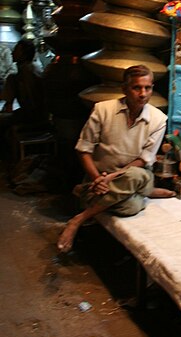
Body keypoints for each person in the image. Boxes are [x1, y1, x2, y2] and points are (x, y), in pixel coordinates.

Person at [57, 64, 174, 253]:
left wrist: (110, 178)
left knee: (136, 175)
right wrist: (97, 178)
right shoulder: (102, 110)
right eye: (137, 87)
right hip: (100, 177)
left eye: (148, 88)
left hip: (133, 174)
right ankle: (143, 192)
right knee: (130, 207)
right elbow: (83, 149)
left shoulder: (158, 119)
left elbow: (144, 160)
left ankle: (79, 219)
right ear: (125, 89)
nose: (143, 94)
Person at [1, 40, 46, 123]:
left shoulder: (29, 70)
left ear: (23, 53)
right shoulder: (24, 70)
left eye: (16, 50)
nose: (12, 52)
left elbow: (34, 99)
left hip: (34, 114)